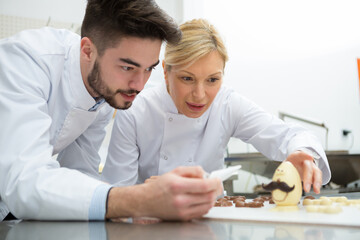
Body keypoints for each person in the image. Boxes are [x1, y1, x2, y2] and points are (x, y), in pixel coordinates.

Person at [0, 1, 223, 221]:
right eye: (127, 67)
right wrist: (137, 200)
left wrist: (122, 212)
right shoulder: (24, 62)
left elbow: (80, 172)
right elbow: (24, 181)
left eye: (149, 69)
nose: (139, 85)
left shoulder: (107, 91)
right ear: (87, 51)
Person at [101, 19, 331, 194]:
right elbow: (118, 195)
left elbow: (291, 135)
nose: (200, 95)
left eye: (212, 80)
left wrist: (302, 152)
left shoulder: (227, 104)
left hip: (211, 223)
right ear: (165, 71)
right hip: (149, 229)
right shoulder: (136, 111)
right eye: (187, 79)